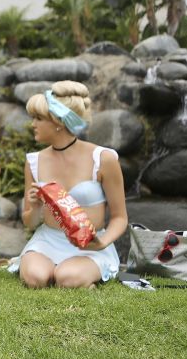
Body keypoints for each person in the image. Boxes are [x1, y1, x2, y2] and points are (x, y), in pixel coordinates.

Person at [9, 81, 126, 288]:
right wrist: (35, 207)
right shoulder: (34, 161)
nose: (32, 124)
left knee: (67, 278)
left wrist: (102, 242)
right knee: (35, 278)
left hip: (89, 245)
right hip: (47, 240)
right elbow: (29, 222)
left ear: (59, 122)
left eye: (38, 118)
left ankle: (82, 275)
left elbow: (120, 217)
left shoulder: (103, 159)